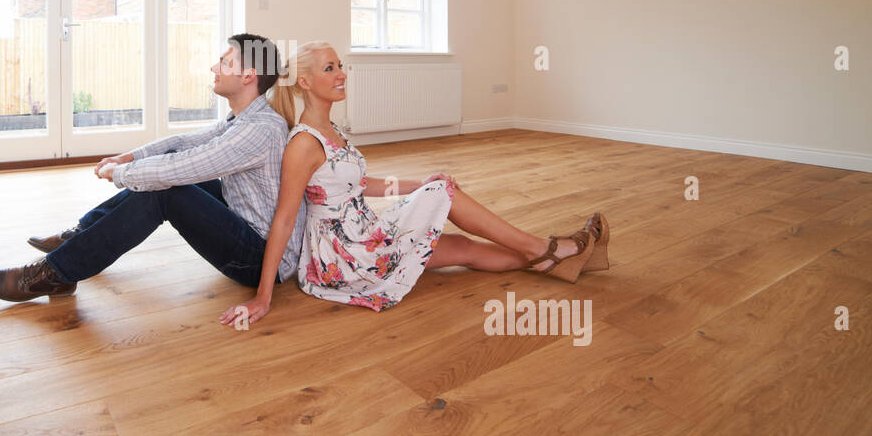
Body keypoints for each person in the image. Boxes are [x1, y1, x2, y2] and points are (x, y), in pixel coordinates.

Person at [219, 41, 609, 327]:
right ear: (304, 81)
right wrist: (263, 297)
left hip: (364, 234)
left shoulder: (332, 130)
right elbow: (285, 220)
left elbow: (361, 185)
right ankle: (549, 249)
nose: (341, 74)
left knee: (461, 247)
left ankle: (560, 261)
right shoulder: (304, 143)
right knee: (445, 194)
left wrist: (417, 183)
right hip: (343, 256)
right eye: (329, 69)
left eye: (340, 65)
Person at [0, 33, 306, 302]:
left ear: (248, 76)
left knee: (163, 194)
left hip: (262, 260)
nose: (213, 67)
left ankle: (54, 274)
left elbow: (186, 165)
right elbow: (187, 142)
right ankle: (77, 238)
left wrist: (122, 175)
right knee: (168, 183)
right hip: (246, 224)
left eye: (224, 61)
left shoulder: (261, 129)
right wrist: (131, 158)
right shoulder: (246, 118)